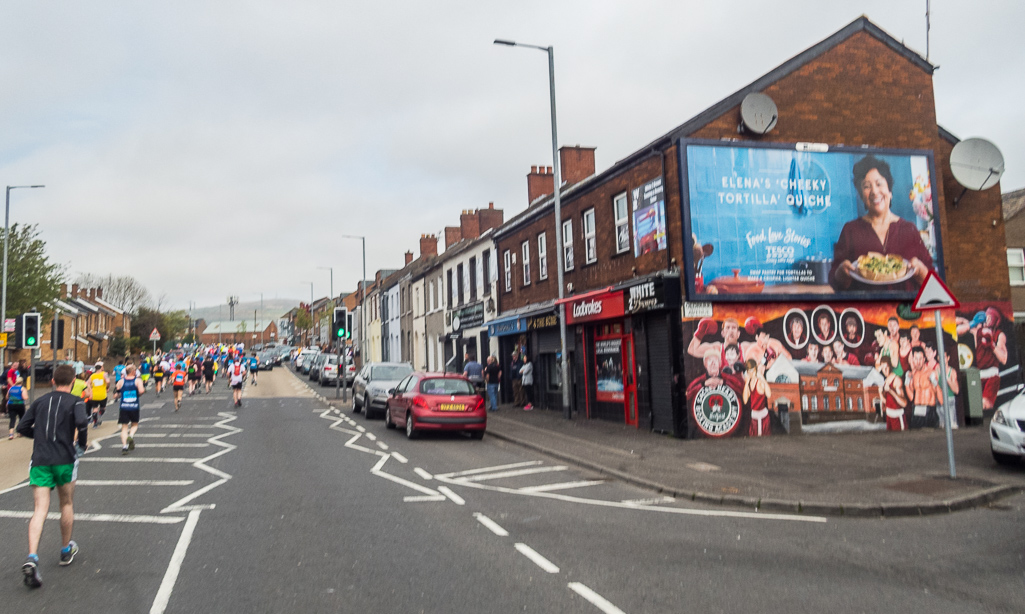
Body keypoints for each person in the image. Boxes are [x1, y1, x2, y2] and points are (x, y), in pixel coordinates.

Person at [17, 364, 89, 588]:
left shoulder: (39, 402)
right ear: (73, 380)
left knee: (40, 509)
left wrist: (38, 437)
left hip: (40, 459)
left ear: (52, 381)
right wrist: (81, 445)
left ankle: (32, 557)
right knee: (66, 503)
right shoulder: (76, 401)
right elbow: (82, 422)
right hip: (64, 459)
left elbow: (22, 427)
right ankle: (66, 549)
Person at [831, 155, 932, 292]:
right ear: (861, 196)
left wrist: (920, 270)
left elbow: (933, 283)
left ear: (889, 191)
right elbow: (834, 282)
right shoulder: (850, 230)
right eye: (867, 186)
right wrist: (842, 272)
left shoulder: (909, 229)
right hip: (865, 310)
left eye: (879, 184)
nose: (874, 191)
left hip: (906, 310)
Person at [116, 363, 145, 455]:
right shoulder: (138, 381)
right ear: (133, 371)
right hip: (134, 407)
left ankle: (124, 447)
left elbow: (116, 394)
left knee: (124, 427)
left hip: (124, 407)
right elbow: (141, 391)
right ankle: (131, 435)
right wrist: (138, 394)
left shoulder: (120, 381)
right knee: (134, 425)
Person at [742, 358, 771, 437]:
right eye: (749, 372)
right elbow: (745, 400)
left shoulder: (760, 382)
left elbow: (769, 394)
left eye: (753, 371)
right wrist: (747, 382)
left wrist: (762, 378)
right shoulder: (748, 383)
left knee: (763, 440)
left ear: (755, 370)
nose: (751, 374)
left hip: (762, 417)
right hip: (753, 416)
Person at [879, 360, 908, 431]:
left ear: (890, 367)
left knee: (901, 440)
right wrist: (880, 394)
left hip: (897, 417)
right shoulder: (885, 381)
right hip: (889, 416)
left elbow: (904, 403)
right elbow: (889, 402)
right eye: (882, 368)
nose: (884, 370)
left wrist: (891, 391)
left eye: (886, 367)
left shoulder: (896, 380)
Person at [86, 363, 110, 428]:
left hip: (94, 395)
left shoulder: (92, 376)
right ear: (101, 368)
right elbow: (107, 381)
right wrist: (107, 387)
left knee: (95, 409)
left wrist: (90, 390)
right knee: (103, 408)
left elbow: (87, 383)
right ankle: (99, 416)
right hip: (102, 395)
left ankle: (95, 423)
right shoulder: (104, 374)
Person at [7, 375, 26, 439]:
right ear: (22, 382)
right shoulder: (22, 388)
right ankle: (19, 432)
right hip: (20, 405)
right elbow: (25, 397)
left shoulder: (11, 388)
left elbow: (7, 397)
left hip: (11, 405)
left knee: (12, 419)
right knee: (21, 418)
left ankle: (11, 434)